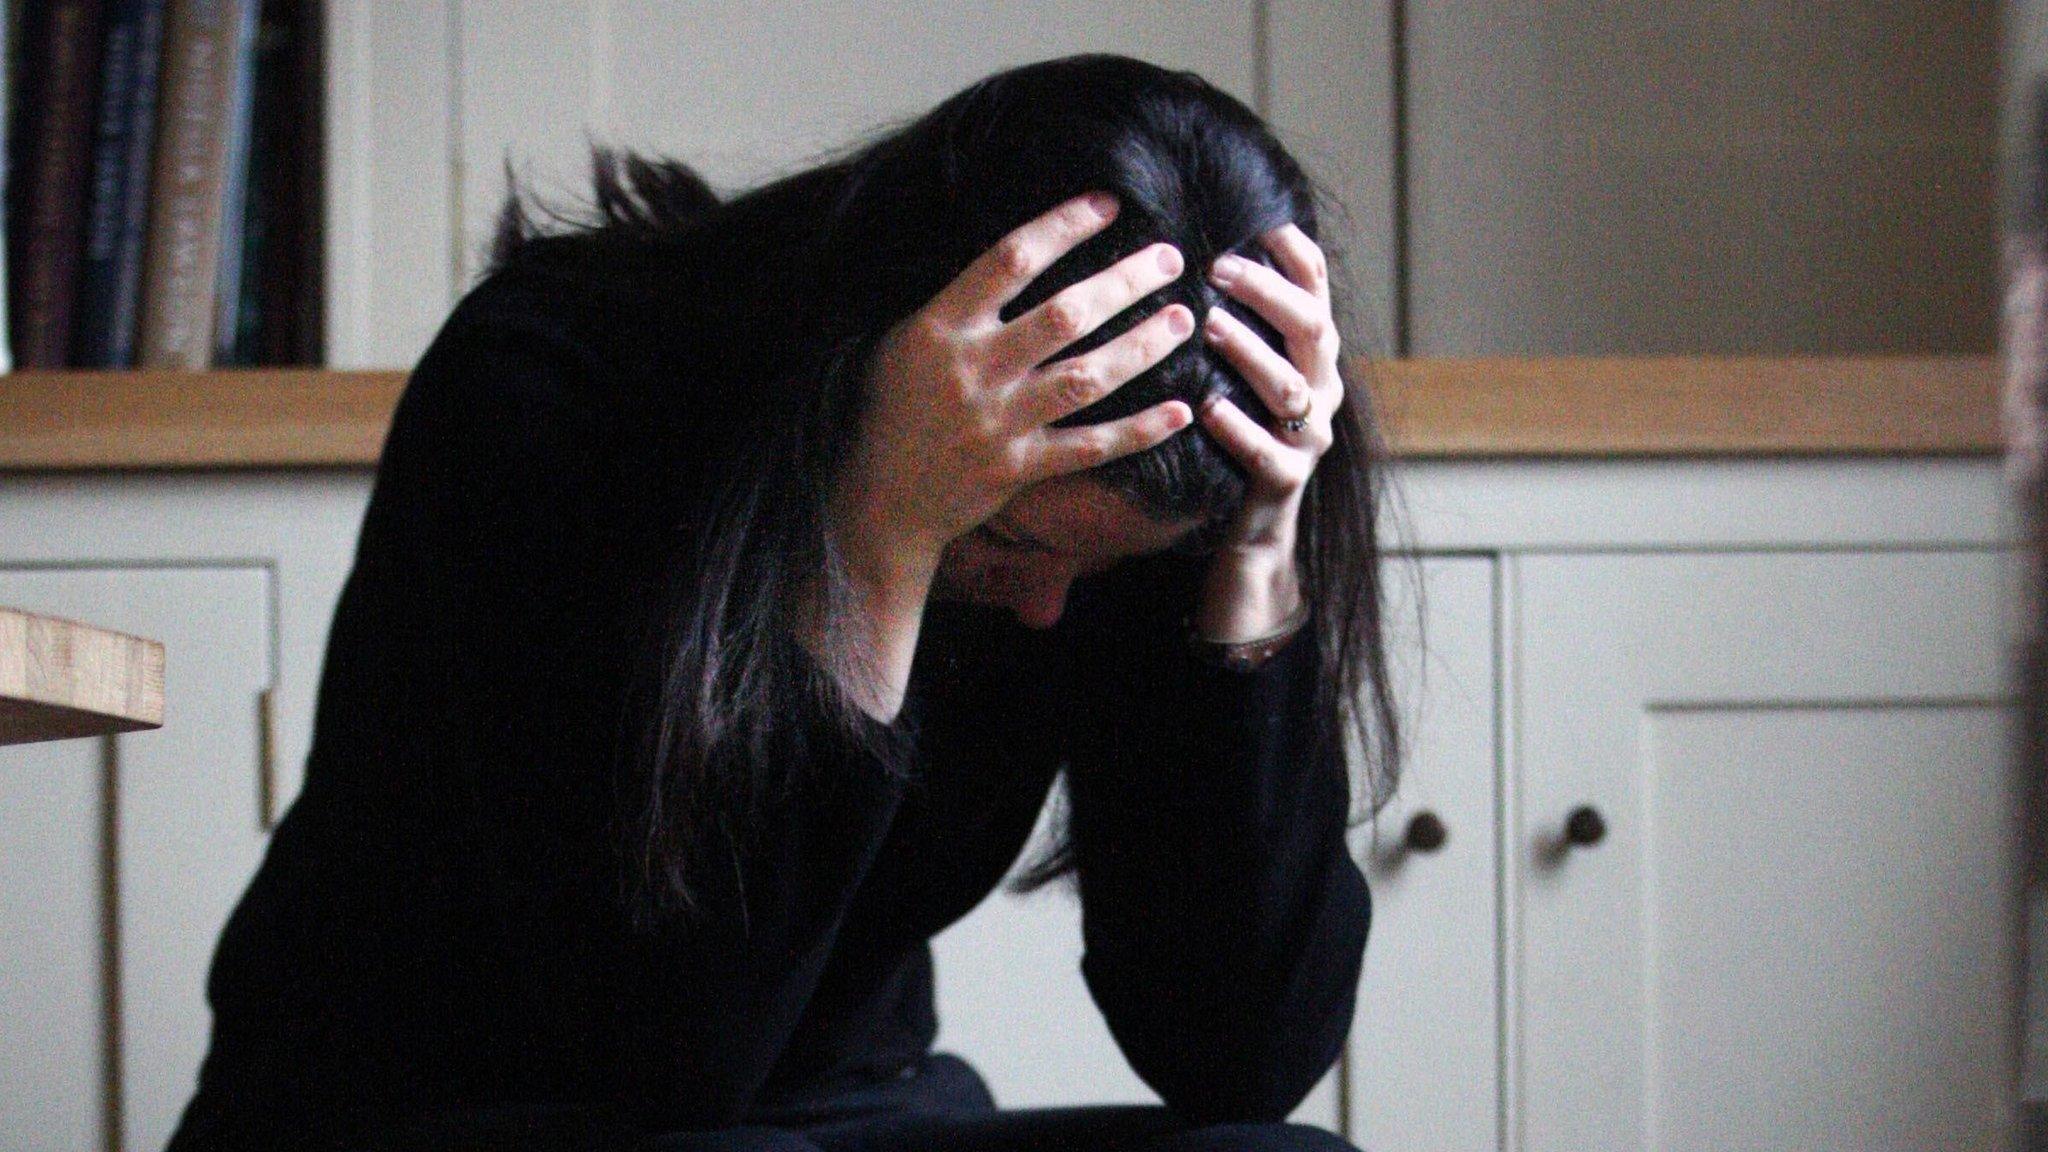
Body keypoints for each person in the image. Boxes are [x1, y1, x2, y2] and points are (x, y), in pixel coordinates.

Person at [164, 53, 1402, 1152]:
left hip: (840, 1114)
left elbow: (1240, 1059)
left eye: (1096, 573)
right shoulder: (549, 385)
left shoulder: (1115, 499)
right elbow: (666, 1061)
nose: (1044, 614)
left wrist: (1253, 562)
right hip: (431, 1105)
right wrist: (880, 540)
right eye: (1009, 547)